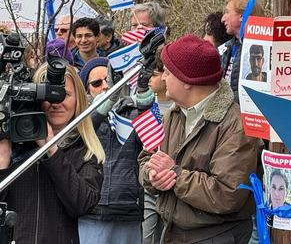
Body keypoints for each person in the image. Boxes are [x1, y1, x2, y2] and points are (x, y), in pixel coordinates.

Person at [138, 34, 261, 243]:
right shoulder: (174, 114)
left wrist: (175, 175)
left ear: (187, 80)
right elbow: (147, 158)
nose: (163, 78)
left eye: (167, 72)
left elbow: (227, 194)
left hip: (215, 236)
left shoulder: (235, 125)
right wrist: (152, 175)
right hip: (172, 231)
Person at [0, 63, 105, 243]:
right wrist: (3, 161)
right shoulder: (14, 147)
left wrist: (52, 151)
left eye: (65, 94)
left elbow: (82, 204)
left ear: (78, 100)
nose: (56, 103)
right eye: (48, 95)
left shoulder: (86, 151)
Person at [77, 57, 149, 244]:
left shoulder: (133, 112)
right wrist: (107, 104)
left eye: (109, 81)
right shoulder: (80, 118)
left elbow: (151, 140)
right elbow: (80, 132)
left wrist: (144, 98)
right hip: (91, 212)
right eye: (96, 83)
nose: (105, 86)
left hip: (127, 209)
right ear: (86, 90)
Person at [142, 46, 173, 244]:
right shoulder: (147, 105)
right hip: (151, 184)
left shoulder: (177, 107)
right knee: (146, 236)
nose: (150, 79)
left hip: (171, 182)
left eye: (154, 75)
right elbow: (144, 152)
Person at [220, 0, 267, 96]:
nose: (222, 19)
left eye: (227, 12)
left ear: (242, 16)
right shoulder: (225, 48)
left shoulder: (263, 46)